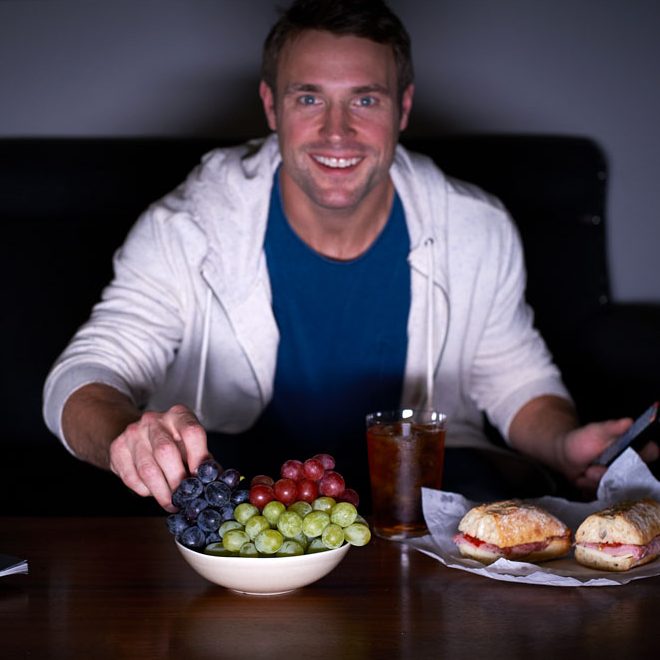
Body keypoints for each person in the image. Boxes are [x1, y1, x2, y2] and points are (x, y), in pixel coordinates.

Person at [43, 0, 657, 512]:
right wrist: (133, 435)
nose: (337, 132)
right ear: (271, 106)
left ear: (403, 108)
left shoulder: (476, 227)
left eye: (364, 100)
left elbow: (517, 381)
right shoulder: (187, 226)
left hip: (417, 510)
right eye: (309, 99)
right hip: (242, 516)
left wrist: (566, 444)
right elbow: (82, 376)